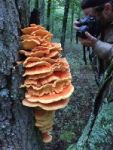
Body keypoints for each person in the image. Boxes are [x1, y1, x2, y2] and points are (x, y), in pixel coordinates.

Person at [75, 0, 113, 83]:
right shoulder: (105, 23)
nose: (88, 20)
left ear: (107, 8)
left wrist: (96, 44)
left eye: (91, 16)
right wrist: (84, 26)